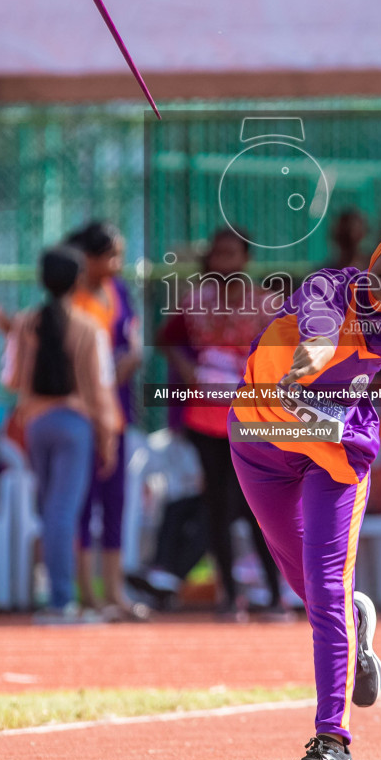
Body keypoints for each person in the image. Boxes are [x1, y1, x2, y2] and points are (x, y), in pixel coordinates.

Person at [229, 216, 381, 760]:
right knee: (302, 581)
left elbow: (334, 346)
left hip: (332, 451)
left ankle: (333, 743)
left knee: (325, 587)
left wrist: (302, 385)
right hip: (258, 440)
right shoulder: (330, 283)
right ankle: (354, 620)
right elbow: (321, 330)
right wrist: (298, 377)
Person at [159, 227, 284, 618]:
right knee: (217, 503)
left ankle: (276, 594)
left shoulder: (265, 302)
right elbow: (166, 340)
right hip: (206, 417)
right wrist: (188, 367)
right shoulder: (194, 302)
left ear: (245, 259)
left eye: (232, 255)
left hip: (253, 416)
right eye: (219, 254)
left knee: (255, 504)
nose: (225, 262)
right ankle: (230, 596)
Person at [6, 245, 119, 620]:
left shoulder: (25, 323)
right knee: (63, 512)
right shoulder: (89, 327)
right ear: (78, 280)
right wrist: (108, 437)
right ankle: (61, 599)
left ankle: (58, 594)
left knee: (51, 509)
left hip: (36, 424)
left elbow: (10, 378)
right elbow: (101, 390)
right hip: (75, 424)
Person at [66, 221, 147, 621]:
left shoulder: (119, 293)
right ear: (90, 258)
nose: (118, 263)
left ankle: (114, 590)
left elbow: (133, 346)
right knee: (83, 504)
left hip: (116, 412)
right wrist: (100, 378)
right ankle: (86, 592)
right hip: (84, 414)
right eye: (111, 254)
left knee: (115, 503)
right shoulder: (74, 299)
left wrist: (121, 366)